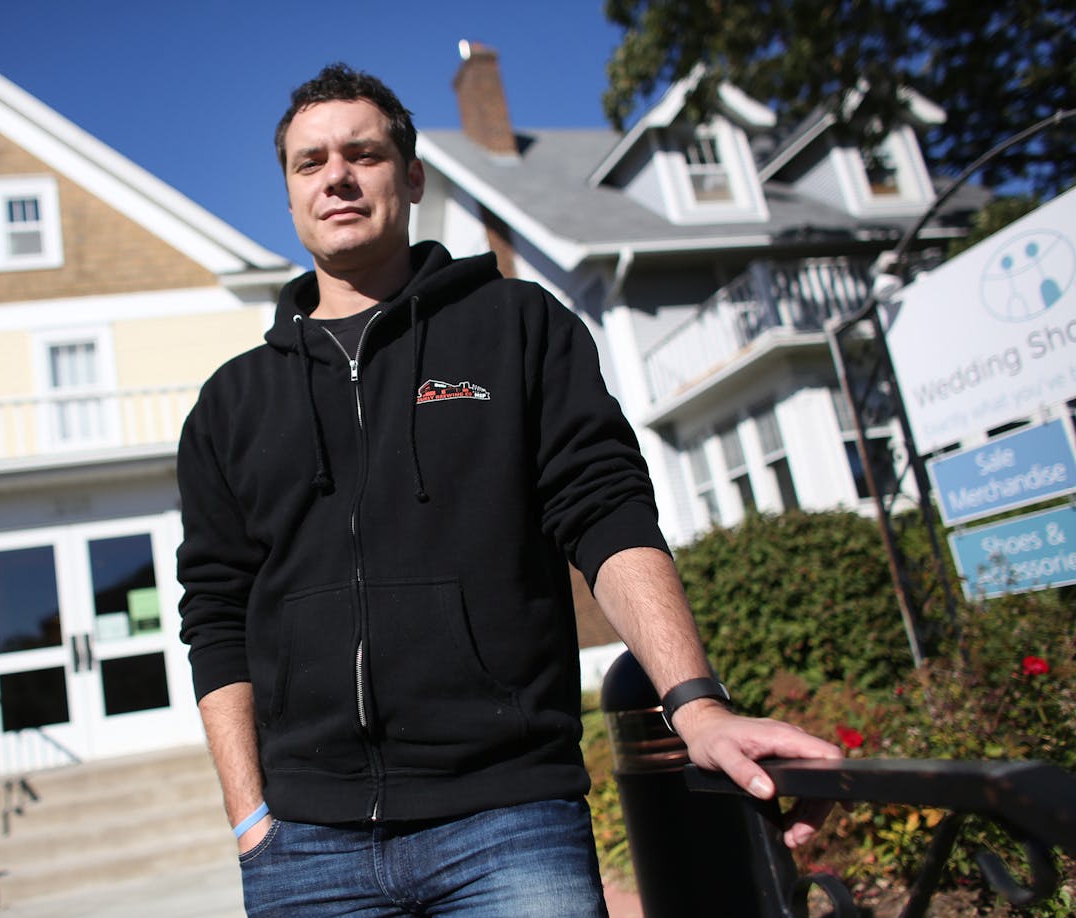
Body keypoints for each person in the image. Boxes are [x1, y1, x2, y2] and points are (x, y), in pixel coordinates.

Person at [177, 63, 841, 916]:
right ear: (290, 190)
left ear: (411, 176)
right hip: (306, 848)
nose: (336, 176)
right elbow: (217, 612)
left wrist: (695, 706)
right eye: (310, 163)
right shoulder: (232, 403)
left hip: (508, 821)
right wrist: (249, 817)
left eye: (363, 153)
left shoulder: (517, 328)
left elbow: (605, 513)